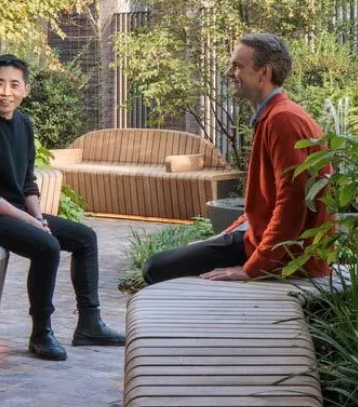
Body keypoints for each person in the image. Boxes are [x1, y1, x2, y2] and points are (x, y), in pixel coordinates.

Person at [0, 54, 128, 360]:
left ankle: (90, 323)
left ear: (25, 90)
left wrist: (38, 216)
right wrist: (32, 224)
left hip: (13, 209)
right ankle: (41, 332)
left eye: (14, 84)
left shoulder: (24, 124)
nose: (6, 92)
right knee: (46, 246)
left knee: (85, 238)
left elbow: (28, 182)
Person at [141, 32, 333, 285]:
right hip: (262, 241)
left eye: (237, 66)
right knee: (167, 261)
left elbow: (293, 203)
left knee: (156, 268)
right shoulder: (274, 115)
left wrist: (254, 268)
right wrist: (222, 236)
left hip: (291, 258)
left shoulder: (282, 120)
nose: (229, 72)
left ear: (263, 73)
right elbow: (266, 205)